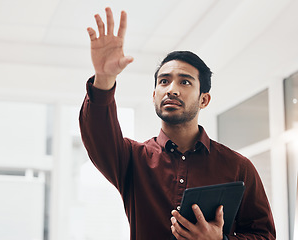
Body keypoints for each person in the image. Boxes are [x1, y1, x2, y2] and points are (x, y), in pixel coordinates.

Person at [79, 7, 276, 240]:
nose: (172, 89)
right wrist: (104, 79)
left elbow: (264, 236)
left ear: (204, 99)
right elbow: (98, 135)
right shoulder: (132, 159)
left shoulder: (238, 168)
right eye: (164, 81)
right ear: (154, 95)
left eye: (184, 82)